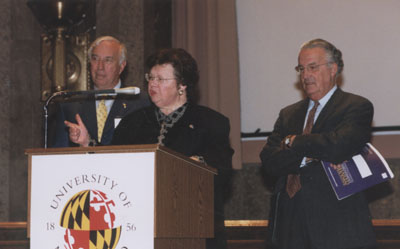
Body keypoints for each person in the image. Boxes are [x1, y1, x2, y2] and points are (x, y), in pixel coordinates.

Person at [110, 48, 233, 249]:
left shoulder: (211, 123)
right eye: (150, 77)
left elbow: (222, 172)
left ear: (182, 85)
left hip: (193, 227)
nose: (152, 84)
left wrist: (193, 165)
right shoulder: (132, 123)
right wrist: (88, 144)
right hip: (139, 227)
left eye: (161, 79)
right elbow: (114, 166)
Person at [260, 39, 377, 249]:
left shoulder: (356, 106)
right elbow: (269, 161)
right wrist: (311, 153)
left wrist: (293, 141)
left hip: (335, 225)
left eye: (313, 67)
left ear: (333, 69)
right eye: (301, 69)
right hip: (288, 223)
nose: (305, 75)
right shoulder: (288, 115)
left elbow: (338, 146)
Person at [51, 36, 149, 147]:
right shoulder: (71, 105)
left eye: (108, 60)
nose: (100, 67)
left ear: (121, 66)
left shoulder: (139, 102)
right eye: (95, 59)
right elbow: (59, 152)